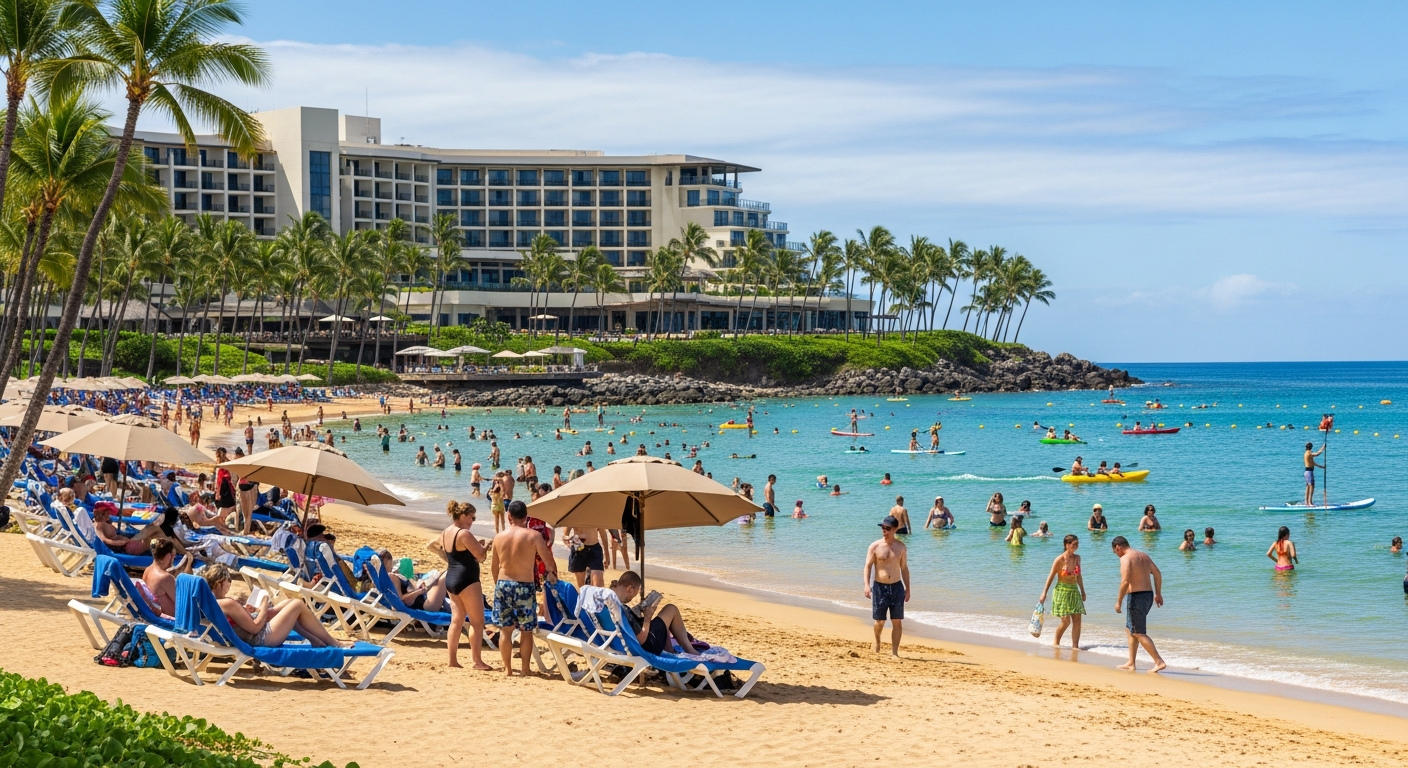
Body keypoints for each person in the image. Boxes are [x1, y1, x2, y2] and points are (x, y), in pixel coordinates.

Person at [202, 563, 350, 648]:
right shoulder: (227, 603)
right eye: (229, 580)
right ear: (220, 583)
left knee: (289, 604)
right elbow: (255, 627)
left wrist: (246, 612)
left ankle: (316, 640)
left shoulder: (215, 602)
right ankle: (333, 642)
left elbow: (238, 623)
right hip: (259, 638)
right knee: (297, 604)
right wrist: (264, 604)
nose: (230, 583)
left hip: (248, 635)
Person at [490, 500, 558, 677]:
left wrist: (499, 585)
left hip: (503, 584)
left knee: (505, 630)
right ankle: (525, 669)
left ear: (508, 516)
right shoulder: (533, 536)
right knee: (526, 630)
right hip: (524, 585)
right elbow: (547, 559)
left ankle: (508, 669)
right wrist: (551, 573)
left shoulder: (499, 537)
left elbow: (494, 567)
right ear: (526, 517)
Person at [592, 570, 703, 656]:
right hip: (646, 647)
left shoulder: (605, 604)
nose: (631, 598)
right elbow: (641, 640)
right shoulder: (621, 609)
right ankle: (690, 650)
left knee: (663, 622)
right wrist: (648, 617)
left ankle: (669, 650)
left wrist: (640, 609)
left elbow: (629, 623)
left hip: (615, 643)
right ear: (629, 589)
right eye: (633, 594)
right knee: (671, 609)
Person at [438, 501, 490, 669]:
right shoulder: (464, 534)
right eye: (471, 517)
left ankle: (452, 660)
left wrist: (475, 548)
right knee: (477, 622)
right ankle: (477, 661)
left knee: (457, 620)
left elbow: (450, 553)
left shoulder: (446, 532)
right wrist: (486, 547)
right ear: (462, 516)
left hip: (452, 577)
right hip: (467, 579)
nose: (472, 521)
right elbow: (481, 556)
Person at [1112, 536, 1166, 673]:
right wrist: (1158, 593)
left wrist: (1118, 601)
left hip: (1136, 596)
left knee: (1138, 632)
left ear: (1118, 547)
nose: (1117, 555)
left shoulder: (1126, 558)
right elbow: (1157, 573)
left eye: (1115, 552)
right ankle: (1131, 662)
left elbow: (1125, 581)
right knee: (1130, 628)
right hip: (1147, 595)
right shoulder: (1143, 555)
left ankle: (1159, 662)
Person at [863, 515, 910, 656]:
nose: (884, 530)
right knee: (879, 621)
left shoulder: (901, 547)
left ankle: (895, 652)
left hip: (896, 587)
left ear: (895, 529)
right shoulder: (875, 546)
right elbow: (867, 566)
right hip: (879, 587)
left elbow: (904, 568)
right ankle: (877, 642)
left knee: (897, 621)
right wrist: (866, 585)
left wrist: (908, 589)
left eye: (888, 528)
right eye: (883, 528)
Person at [1038, 534, 1086, 648]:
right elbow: (1051, 576)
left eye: (1077, 544)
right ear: (1067, 545)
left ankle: (1075, 646)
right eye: (1074, 544)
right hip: (1061, 591)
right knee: (1065, 621)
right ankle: (1056, 642)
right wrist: (1044, 593)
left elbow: (1079, 576)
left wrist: (1083, 591)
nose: (1077, 546)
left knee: (1077, 619)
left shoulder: (1077, 558)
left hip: (1074, 590)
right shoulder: (1060, 559)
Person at [141, 538, 179, 617]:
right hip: (171, 619)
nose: (173, 559)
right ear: (168, 556)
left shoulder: (147, 570)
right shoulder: (165, 577)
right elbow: (181, 602)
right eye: (173, 556)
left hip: (152, 615)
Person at [1303, 441, 1325, 506]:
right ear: (1311, 447)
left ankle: (1306, 502)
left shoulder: (1306, 453)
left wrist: (1321, 467)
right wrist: (1323, 447)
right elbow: (1317, 454)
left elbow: (1312, 463)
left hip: (1307, 472)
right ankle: (1310, 503)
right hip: (1309, 472)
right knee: (1312, 486)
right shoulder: (1309, 453)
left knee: (1308, 486)